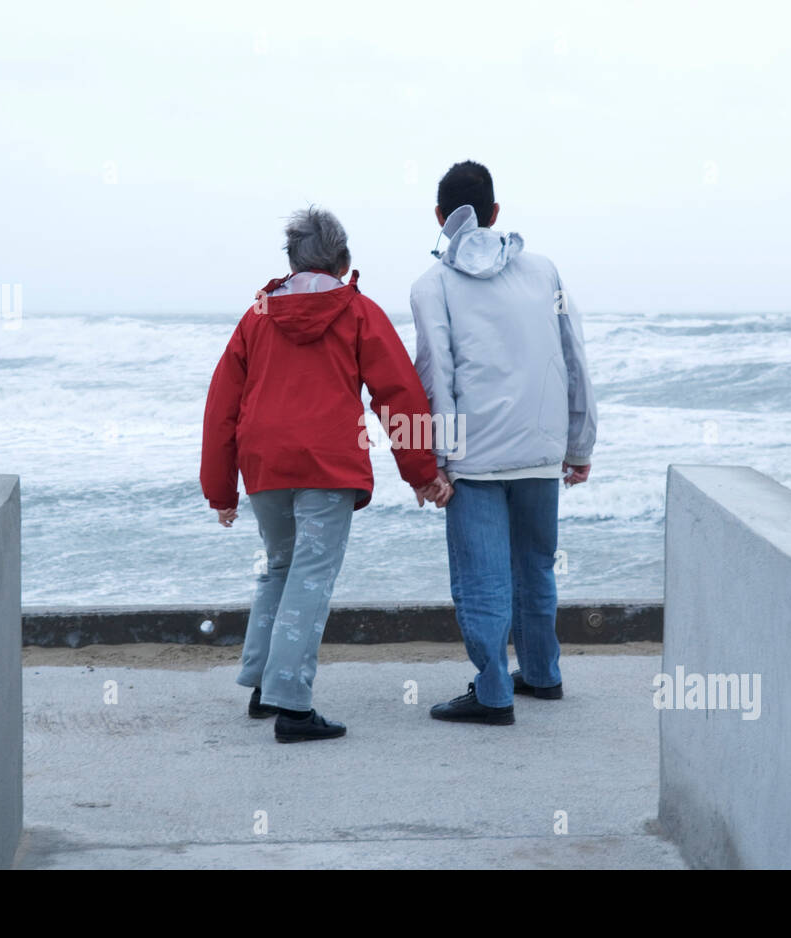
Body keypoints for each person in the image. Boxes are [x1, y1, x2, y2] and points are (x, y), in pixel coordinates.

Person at [201, 207, 449, 744]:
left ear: (291, 262)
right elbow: (397, 394)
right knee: (310, 574)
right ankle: (291, 705)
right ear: (344, 261)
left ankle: (264, 688)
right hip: (327, 462)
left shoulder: (257, 315)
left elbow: (222, 403)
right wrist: (422, 472)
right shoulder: (356, 310)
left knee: (280, 568)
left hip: (264, 460)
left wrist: (220, 489)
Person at [411, 161, 597, 725]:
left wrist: (435, 461)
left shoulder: (433, 284)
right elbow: (574, 357)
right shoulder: (544, 271)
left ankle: (493, 693)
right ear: (495, 213)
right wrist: (579, 443)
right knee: (536, 568)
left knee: (481, 579)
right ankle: (542, 674)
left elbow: (433, 376)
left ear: (441, 218)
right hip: (541, 449)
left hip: (475, 457)